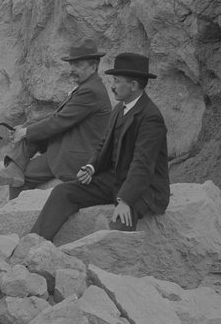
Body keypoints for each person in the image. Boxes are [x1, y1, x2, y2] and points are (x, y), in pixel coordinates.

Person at [30, 52, 171, 241]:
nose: (112, 86)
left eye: (116, 81)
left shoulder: (151, 117)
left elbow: (142, 164)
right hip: (114, 179)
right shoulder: (120, 108)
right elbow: (104, 143)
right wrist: (91, 166)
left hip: (142, 188)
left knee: (121, 221)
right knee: (63, 192)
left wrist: (125, 200)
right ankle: (33, 243)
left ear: (134, 85)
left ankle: (111, 268)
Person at [0, 41, 113, 199]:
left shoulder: (91, 91)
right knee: (30, 134)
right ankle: (13, 169)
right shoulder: (87, 87)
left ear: (93, 66)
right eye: (72, 65)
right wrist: (24, 127)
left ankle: (14, 210)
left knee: (23, 178)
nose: (72, 69)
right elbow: (56, 115)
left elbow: (59, 121)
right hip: (65, 147)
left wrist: (25, 132)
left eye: (78, 65)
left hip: (74, 158)